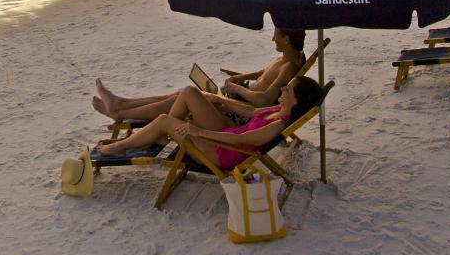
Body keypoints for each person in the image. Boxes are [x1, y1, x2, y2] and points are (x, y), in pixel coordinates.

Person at [92, 77, 324, 169]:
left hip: (223, 153)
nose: (282, 90)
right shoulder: (277, 110)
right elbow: (251, 110)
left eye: (288, 89)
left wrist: (198, 131)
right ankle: (158, 135)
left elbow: (240, 140)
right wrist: (218, 100)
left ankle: (118, 147)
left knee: (164, 119)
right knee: (190, 92)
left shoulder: (277, 125)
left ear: (296, 100)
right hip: (226, 136)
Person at [92, 28, 306, 121]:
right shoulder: (287, 57)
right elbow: (264, 74)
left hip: (239, 109)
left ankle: (120, 111)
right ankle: (121, 104)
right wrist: (242, 77)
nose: (273, 40)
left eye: (276, 36)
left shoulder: (288, 67)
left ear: (287, 39)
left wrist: (236, 88)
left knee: (178, 101)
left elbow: (265, 99)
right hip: (235, 98)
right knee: (179, 95)